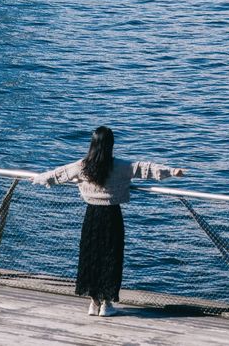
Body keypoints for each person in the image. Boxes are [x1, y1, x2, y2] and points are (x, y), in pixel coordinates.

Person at [32, 126, 184, 318]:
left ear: (92, 144)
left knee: (91, 257)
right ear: (111, 145)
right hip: (112, 216)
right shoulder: (119, 166)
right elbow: (144, 169)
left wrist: (38, 178)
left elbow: (60, 174)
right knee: (111, 257)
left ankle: (93, 302)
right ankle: (107, 303)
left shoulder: (83, 165)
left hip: (92, 215)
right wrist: (173, 171)